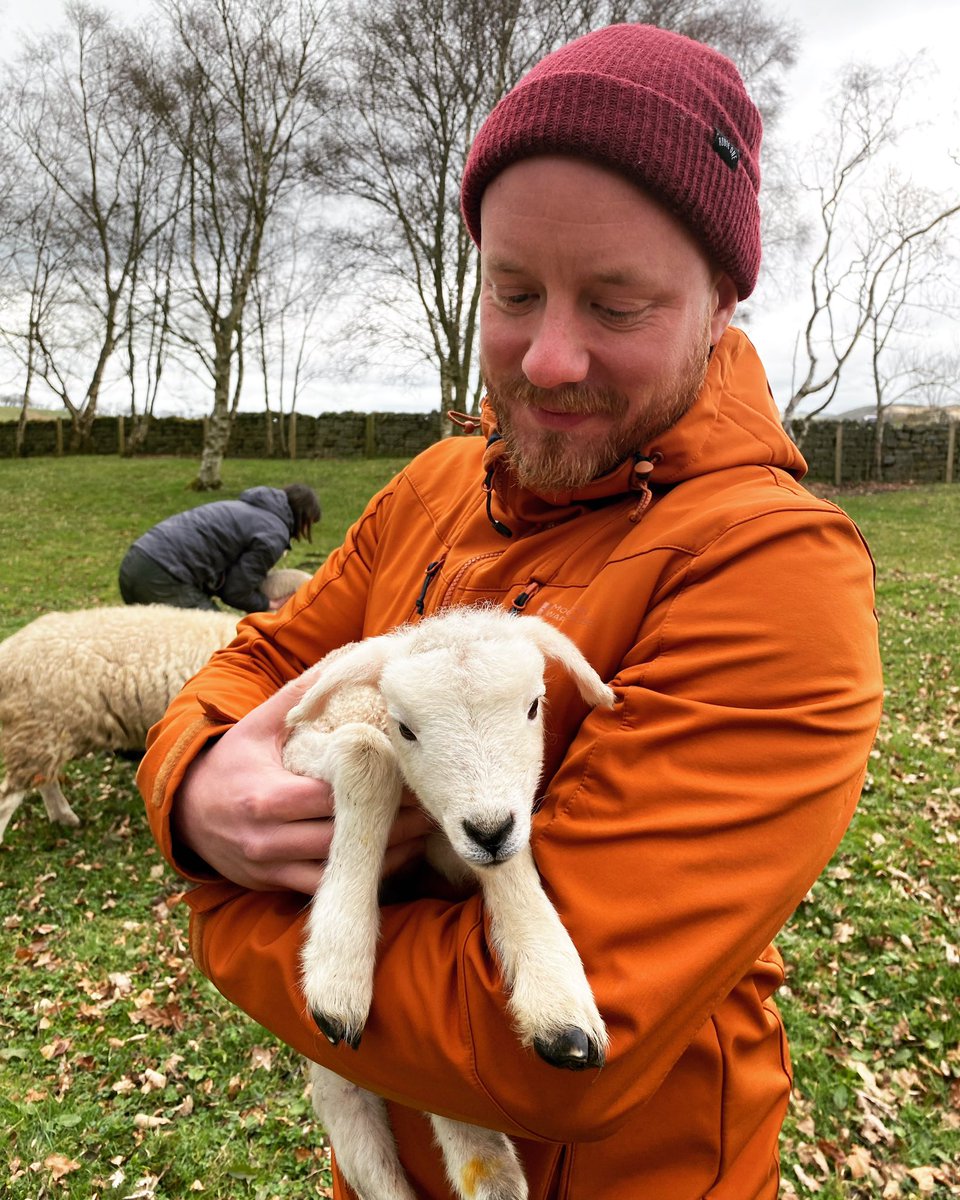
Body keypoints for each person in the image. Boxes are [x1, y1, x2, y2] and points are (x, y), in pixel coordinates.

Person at [137, 24, 883, 1200]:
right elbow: (259, 661)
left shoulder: (774, 573)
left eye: (618, 304)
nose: (547, 358)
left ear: (723, 300)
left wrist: (221, 915)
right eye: (516, 290)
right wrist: (188, 792)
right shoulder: (437, 486)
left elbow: (548, 1055)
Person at [119, 483, 320, 613]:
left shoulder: (247, 509)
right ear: (304, 517)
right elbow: (235, 590)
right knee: (217, 646)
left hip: (135, 563)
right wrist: (268, 605)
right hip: (163, 576)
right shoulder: (273, 534)